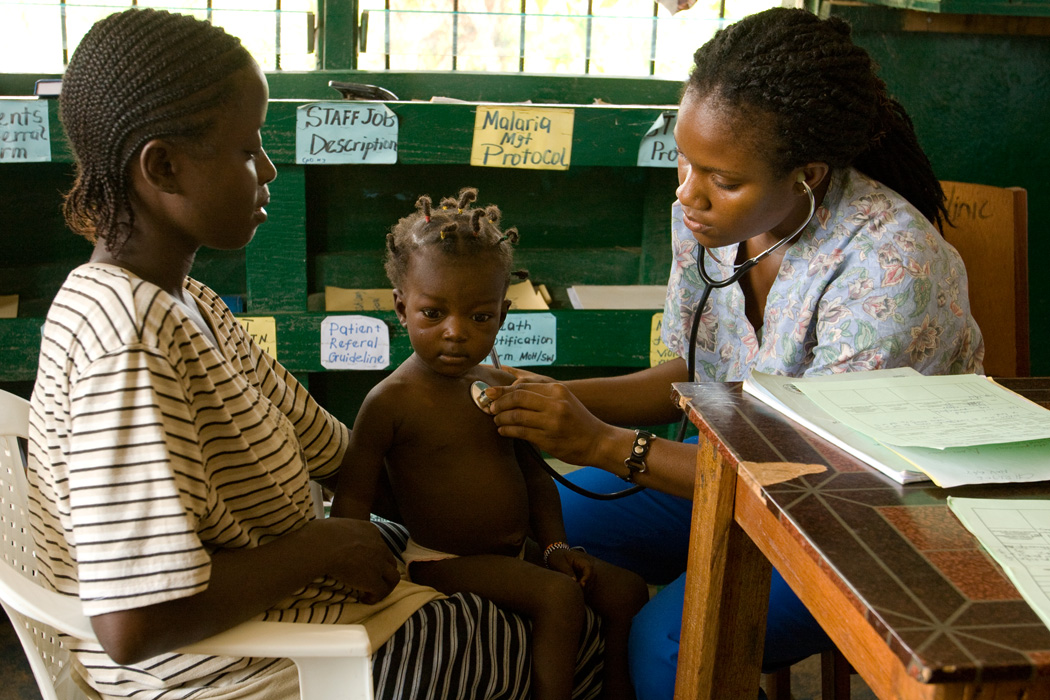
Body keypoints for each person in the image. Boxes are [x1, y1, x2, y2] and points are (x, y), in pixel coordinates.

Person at [25, 9, 603, 700]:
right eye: (246, 150)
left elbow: (335, 450)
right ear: (164, 166)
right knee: (583, 641)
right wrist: (327, 547)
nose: (268, 166)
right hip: (240, 671)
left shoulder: (191, 303)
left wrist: (472, 501)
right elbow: (135, 623)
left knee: (550, 598)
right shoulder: (126, 339)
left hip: (298, 615)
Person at [480, 7, 984, 700]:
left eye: (722, 177)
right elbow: (695, 372)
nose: (688, 192)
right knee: (527, 527)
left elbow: (810, 477)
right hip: (732, 479)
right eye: (686, 161)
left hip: (864, 525)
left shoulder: (889, 263)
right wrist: (540, 397)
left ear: (805, 174)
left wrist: (597, 442)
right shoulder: (709, 220)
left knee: (670, 648)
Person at [331, 188, 649, 700]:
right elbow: (352, 499)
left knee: (626, 590)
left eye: (479, 318)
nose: (456, 333)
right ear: (401, 307)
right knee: (559, 598)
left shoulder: (500, 388)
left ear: (501, 314)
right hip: (441, 558)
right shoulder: (389, 402)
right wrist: (354, 569)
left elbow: (535, 477)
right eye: (433, 314)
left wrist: (555, 546)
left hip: (514, 552)